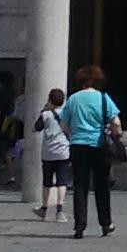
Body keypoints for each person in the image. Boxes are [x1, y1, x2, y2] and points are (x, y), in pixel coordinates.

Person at [61, 66, 122, 238]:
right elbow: (116, 123)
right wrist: (116, 135)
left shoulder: (73, 99)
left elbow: (64, 125)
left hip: (78, 145)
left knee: (80, 185)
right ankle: (105, 222)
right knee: (101, 184)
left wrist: (73, 136)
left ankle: (80, 225)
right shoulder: (103, 98)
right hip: (98, 145)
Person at [33, 87, 72, 219]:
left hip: (48, 152)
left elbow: (35, 128)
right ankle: (60, 210)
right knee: (62, 181)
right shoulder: (67, 114)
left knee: (47, 181)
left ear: (50, 100)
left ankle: (44, 208)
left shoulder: (46, 115)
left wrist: (43, 110)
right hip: (63, 150)